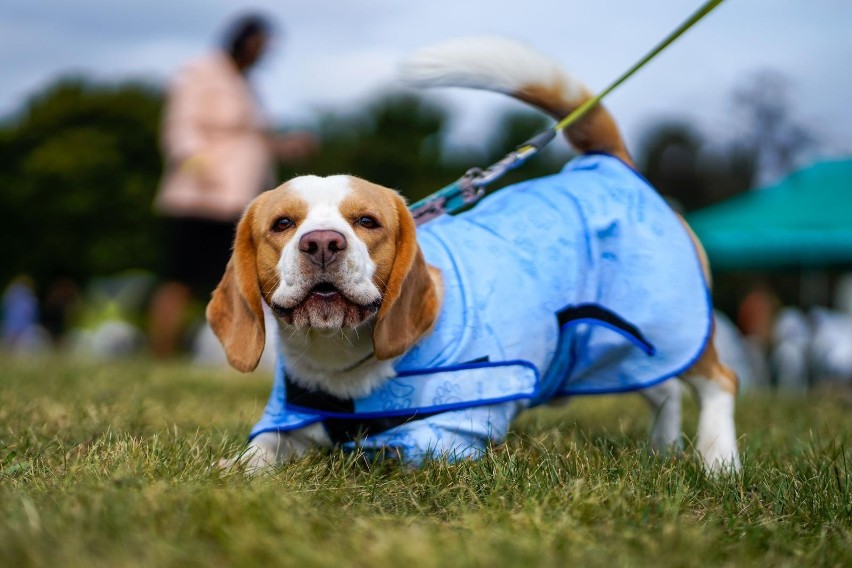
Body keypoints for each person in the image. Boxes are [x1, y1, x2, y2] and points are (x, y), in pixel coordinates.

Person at [149, 13, 317, 358]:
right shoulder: (202, 71)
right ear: (244, 40)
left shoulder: (246, 85)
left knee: (236, 279)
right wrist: (197, 163)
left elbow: (251, 141)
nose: (262, 54)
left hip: (239, 200)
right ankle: (161, 355)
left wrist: (285, 145)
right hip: (201, 197)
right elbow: (181, 124)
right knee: (181, 279)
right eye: (260, 45)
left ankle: (233, 352)